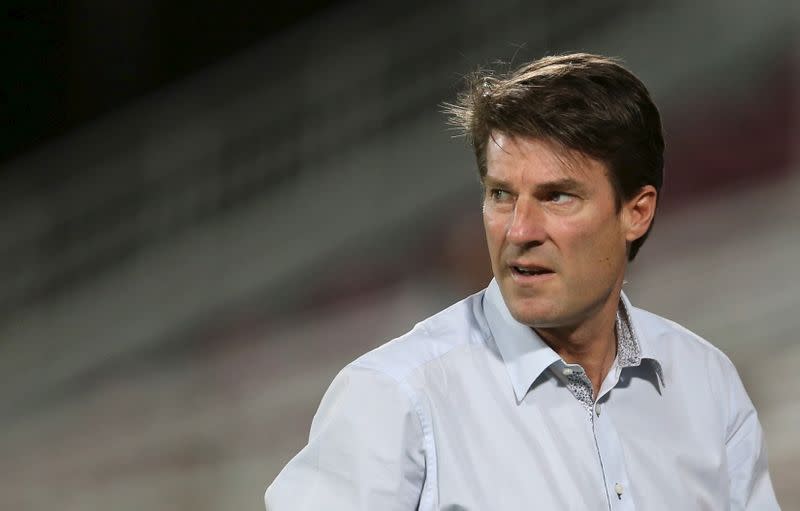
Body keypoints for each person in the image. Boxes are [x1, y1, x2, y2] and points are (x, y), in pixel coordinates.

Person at [264, 53, 780, 510]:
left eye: (558, 196)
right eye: (501, 195)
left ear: (636, 212)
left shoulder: (708, 383)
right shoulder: (395, 396)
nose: (520, 230)